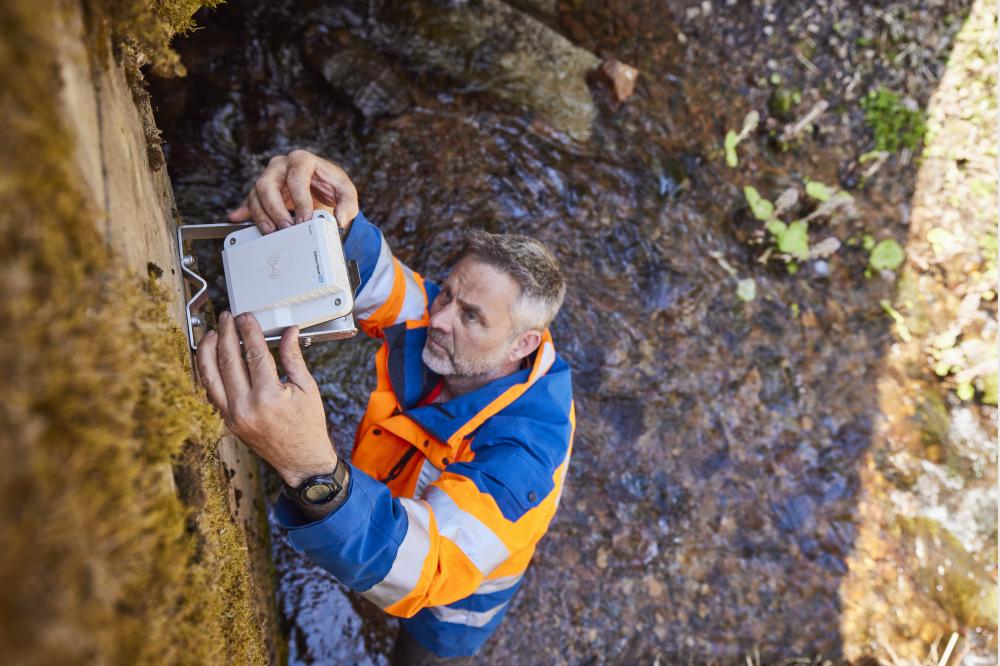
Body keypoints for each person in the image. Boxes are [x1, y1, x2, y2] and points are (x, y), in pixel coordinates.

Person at [196, 149, 575, 664]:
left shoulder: (525, 455)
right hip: (398, 512)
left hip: (454, 603)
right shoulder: (452, 327)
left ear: (522, 347)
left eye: (469, 315)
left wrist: (311, 468)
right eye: (448, 295)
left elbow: (431, 566)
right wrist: (335, 223)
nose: (440, 319)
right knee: (379, 563)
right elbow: (387, 287)